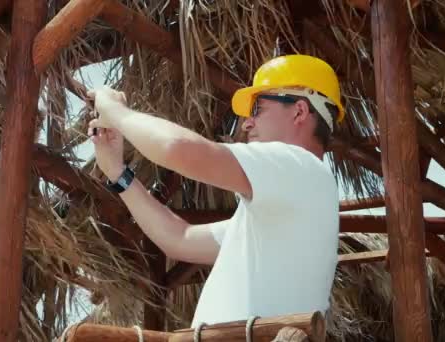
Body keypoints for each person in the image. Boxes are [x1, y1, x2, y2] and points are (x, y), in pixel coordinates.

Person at [86, 54, 343, 327]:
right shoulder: (297, 189)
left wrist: (115, 111)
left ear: (299, 111)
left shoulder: (297, 166)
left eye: (257, 109)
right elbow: (179, 239)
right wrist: (118, 173)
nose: (246, 123)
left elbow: (178, 149)